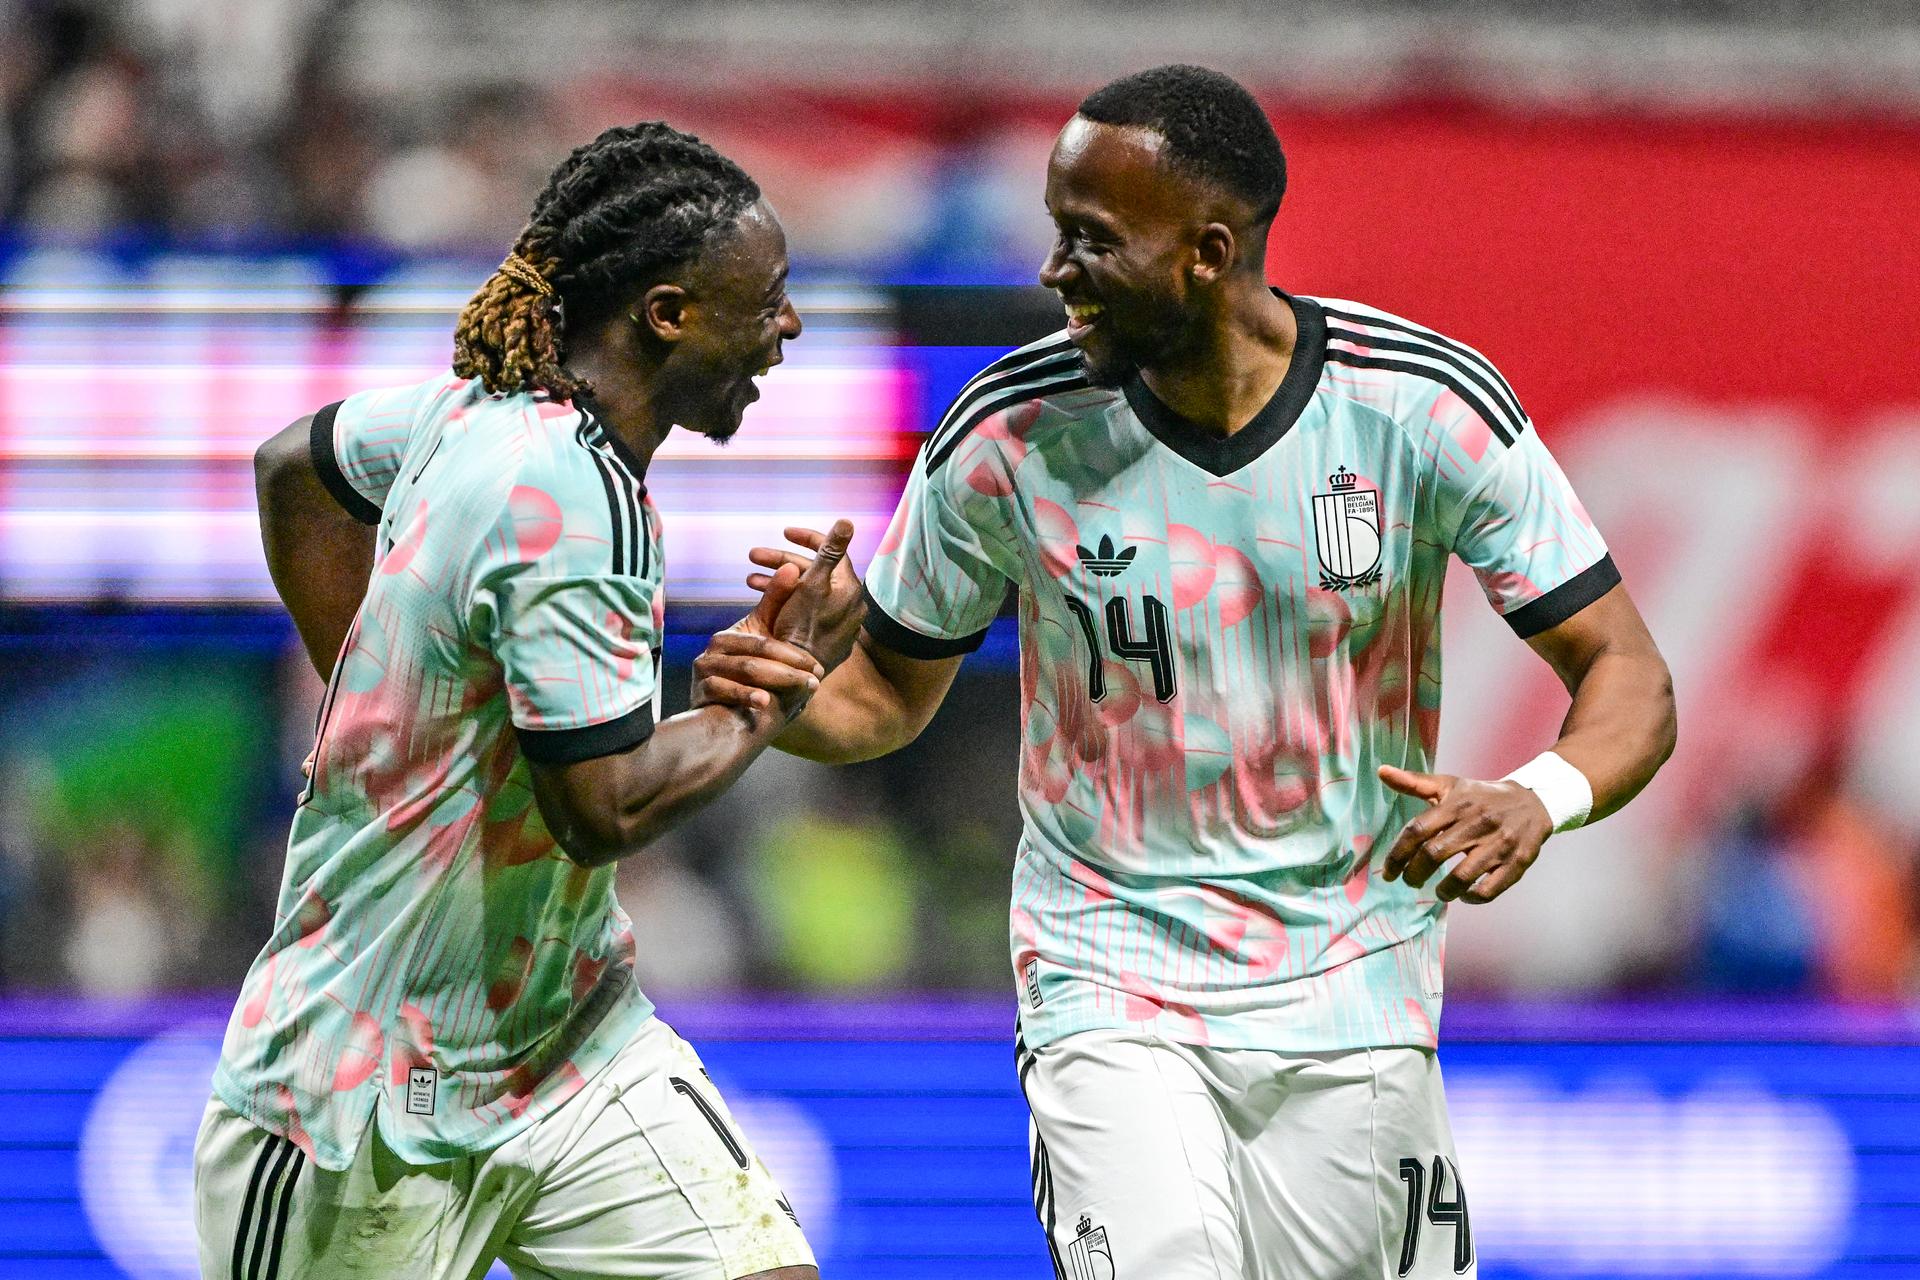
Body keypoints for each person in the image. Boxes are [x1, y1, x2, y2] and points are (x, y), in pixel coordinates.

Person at [698, 66, 1677, 1279]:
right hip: (1111, 976)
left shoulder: (1420, 408)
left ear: (1208, 252)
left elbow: (1628, 673)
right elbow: (888, 696)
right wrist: (779, 696)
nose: (1055, 271)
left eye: (1091, 241)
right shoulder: (1008, 434)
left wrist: (1541, 792)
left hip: (1352, 988)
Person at [198, 122, 858, 1280]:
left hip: (566, 1047)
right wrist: (771, 692)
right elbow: (597, 808)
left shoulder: (475, 412)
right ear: (667, 313)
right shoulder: (569, 491)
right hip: (355, 1096)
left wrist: (381, 711)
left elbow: (293, 470)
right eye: (766, 301)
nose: (786, 328)